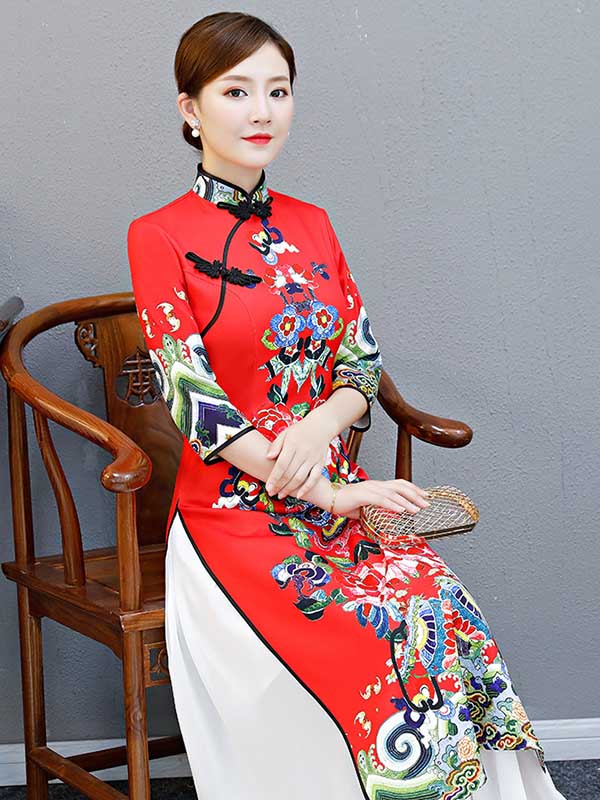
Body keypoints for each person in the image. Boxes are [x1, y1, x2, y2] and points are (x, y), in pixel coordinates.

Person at [126, 12, 567, 800]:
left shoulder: (314, 223)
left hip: (334, 497)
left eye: (278, 91)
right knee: (374, 630)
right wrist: (329, 491)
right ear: (190, 109)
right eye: (236, 91)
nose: (262, 111)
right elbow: (195, 402)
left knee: (436, 601)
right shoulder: (156, 235)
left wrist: (320, 431)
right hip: (233, 513)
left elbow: (359, 363)